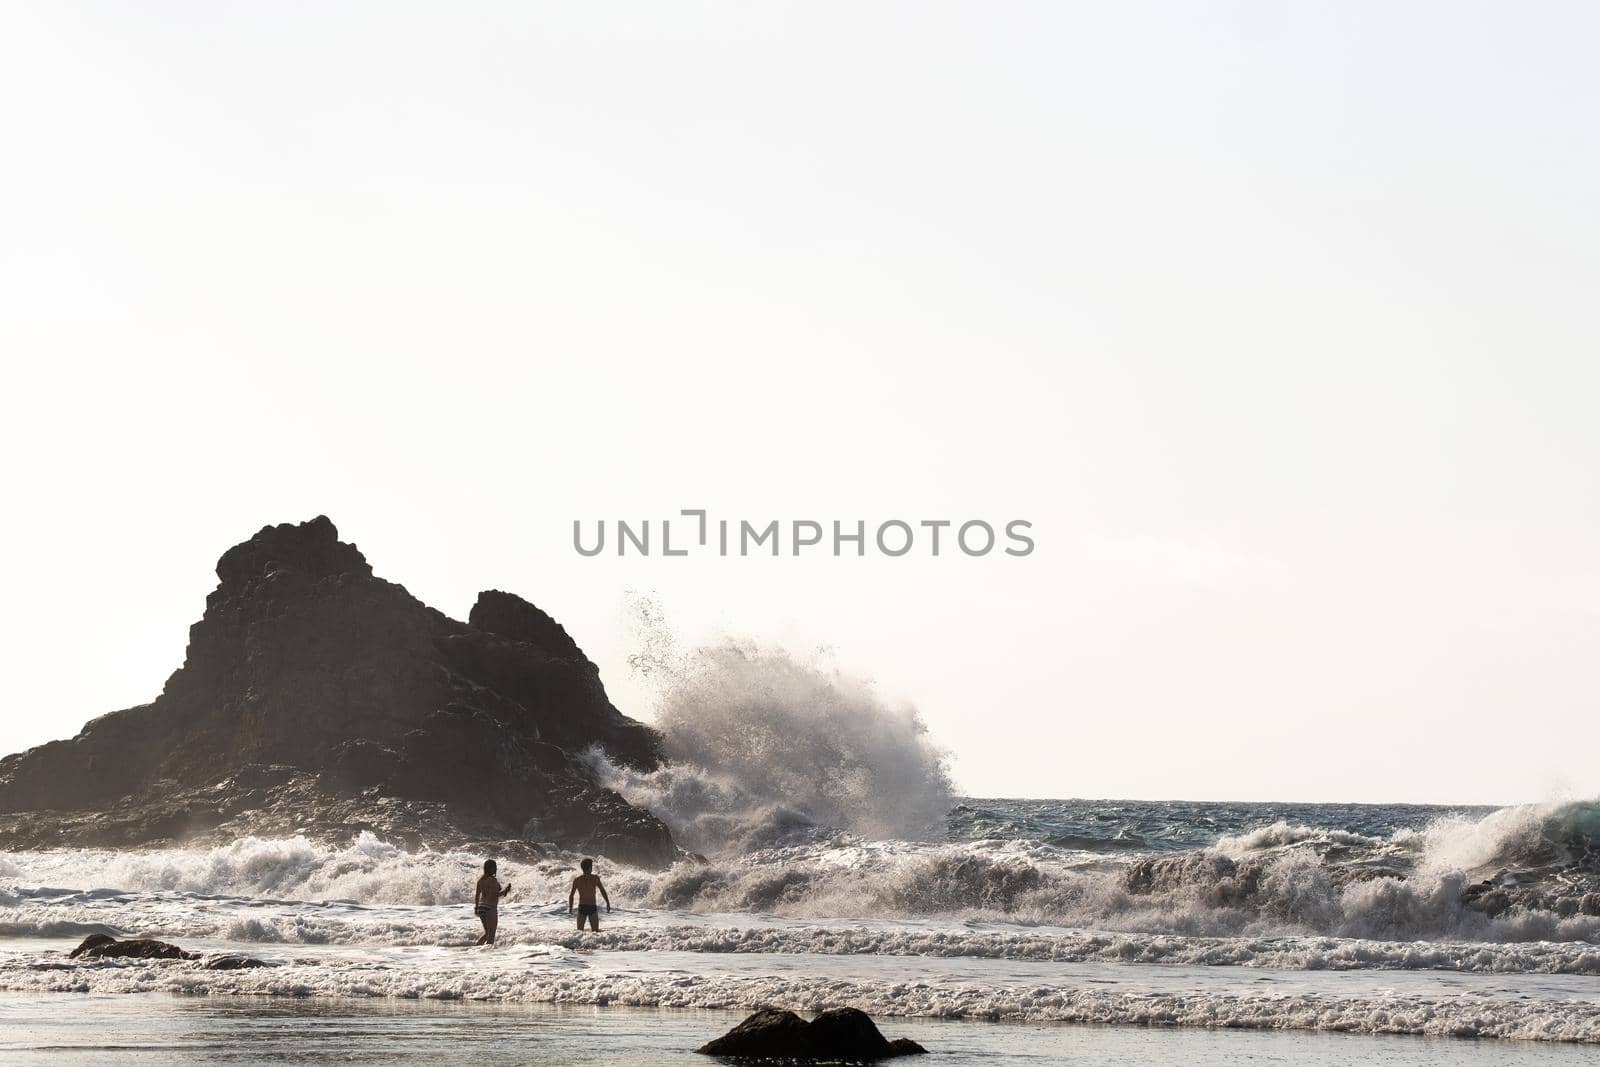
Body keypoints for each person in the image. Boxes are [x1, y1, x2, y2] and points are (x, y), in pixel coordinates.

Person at [474, 859, 513, 946]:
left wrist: (476, 908)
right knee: (491, 935)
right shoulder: (492, 880)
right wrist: (506, 890)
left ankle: (475, 949)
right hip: (490, 907)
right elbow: (495, 895)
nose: (496, 869)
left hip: (481, 907)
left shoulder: (480, 880)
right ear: (491, 868)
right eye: (494, 867)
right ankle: (488, 956)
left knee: (487, 933)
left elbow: (477, 895)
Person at [568, 857, 610, 931]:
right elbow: (602, 890)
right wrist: (607, 902)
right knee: (595, 932)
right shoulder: (595, 878)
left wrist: (570, 909)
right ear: (590, 867)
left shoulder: (577, 880)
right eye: (591, 866)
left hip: (582, 907)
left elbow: (571, 895)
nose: (592, 868)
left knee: (579, 932)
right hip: (592, 907)